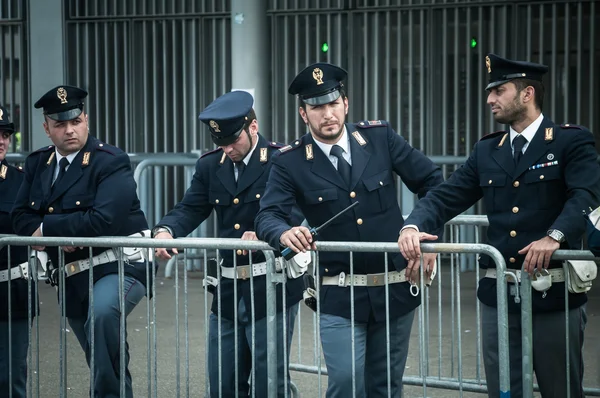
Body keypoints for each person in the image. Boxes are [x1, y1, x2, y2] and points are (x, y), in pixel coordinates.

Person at [398, 54, 600, 398]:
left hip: (552, 294)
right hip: (501, 299)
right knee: (504, 390)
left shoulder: (569, 142)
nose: (490, 99)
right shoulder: (488, 150)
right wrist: (413, 226)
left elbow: (586, 194)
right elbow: (446, 196)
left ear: (527, 94)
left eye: (499, 90)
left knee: (561, 389)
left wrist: (555, 236)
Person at [254, 62, 443, 398]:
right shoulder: (289, 161)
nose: (327, 114)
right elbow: (268, 214)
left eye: (332, 103)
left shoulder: (380, 138)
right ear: (303, 114)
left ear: (346, 103)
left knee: (385, 387)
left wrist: (422, 230)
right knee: (345, 383)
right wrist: (283, 233)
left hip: (395, 288)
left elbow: (432, 183)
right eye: (317, 107)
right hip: (339, 293)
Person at [152, 90, 305, 397]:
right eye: (220, 143)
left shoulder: (280, 160)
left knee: (269, 385)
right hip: (229, 287)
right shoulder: (212, 165)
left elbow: (297, 210)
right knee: (223, 382)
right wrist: (166, 230)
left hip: (271, 284)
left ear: (253, 127)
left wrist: (266, 232)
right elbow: (190, 208)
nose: (228, 149)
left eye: (233, 141)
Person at [11, 85, 152, 398]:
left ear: (86, 119)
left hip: (117, 267)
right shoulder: (38, 164)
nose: (70, 130)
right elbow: (20, 217)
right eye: (60, 125)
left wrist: (49, 232)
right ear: (46, 128)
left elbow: (104, 220)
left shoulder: (110, 161)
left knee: (103, 317)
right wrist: (55, 234)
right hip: (72, 276)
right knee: (103, 357)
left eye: (75, 121)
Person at [0, 105, 37, 398]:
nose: (1, 140)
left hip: (11, 292)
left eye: (5, 134)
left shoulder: (21, 181)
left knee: (11, 378)